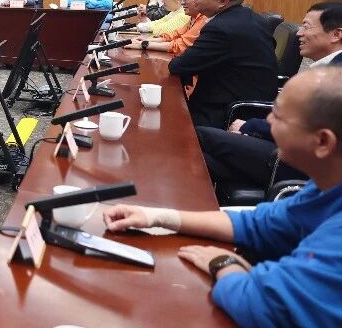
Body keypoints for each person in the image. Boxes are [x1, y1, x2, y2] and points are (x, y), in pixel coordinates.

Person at [102, 66, 342, 328]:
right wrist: (156, 217)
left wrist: (223, 263)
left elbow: (261, 306)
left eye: (280, 116)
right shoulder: (324, 187)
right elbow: (259, 224)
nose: (269, 120)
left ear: (323, 142)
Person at [194, 2, 342, 192]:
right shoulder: (328, 68)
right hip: (284, 148)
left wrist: (250, 127)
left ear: (336, 34)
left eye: (306, 27)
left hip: (297, 162)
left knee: (198, 136)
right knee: (202, 161)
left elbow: (310, 128)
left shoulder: (335, 76)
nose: (299, 33)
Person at [168, 0, 278, 128]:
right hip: (250, 103)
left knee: (166, 116)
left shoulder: (220, 28)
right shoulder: (250, 18)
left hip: (229, 113)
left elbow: (180, 65)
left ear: (223, 1)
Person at [127, 0, 209, 55]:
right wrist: (146, 40)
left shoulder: (202, 18)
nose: (182, 2)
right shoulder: (193, 16)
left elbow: (179, 44)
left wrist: (144, 44)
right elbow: (173, 35)